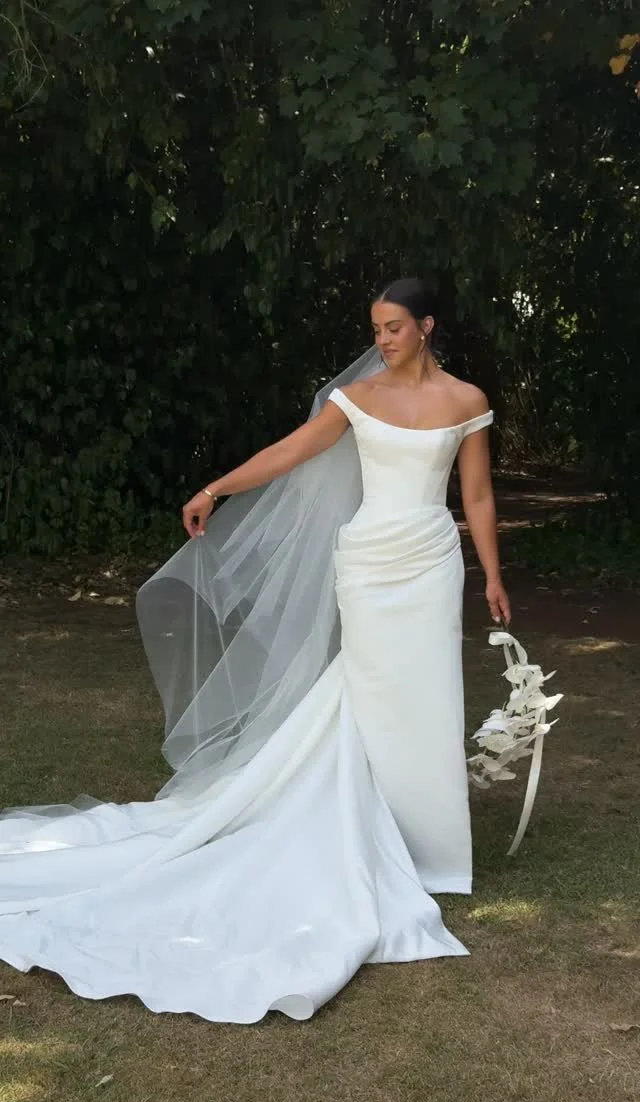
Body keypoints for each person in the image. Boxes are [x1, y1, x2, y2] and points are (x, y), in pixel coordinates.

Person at [0, 278, 510, 1024]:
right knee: (371, 689)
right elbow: (292, 452)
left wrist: (492, 574)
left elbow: (479, 495)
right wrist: (216, 488)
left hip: (430, 560)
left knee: (429, 694)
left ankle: (430, 848)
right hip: (369, 561)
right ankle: (368, 835)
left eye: (394, 327)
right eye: (375, 328)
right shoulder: (358, 397)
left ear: (426, 326)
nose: (382, 340)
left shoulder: (466, 400)